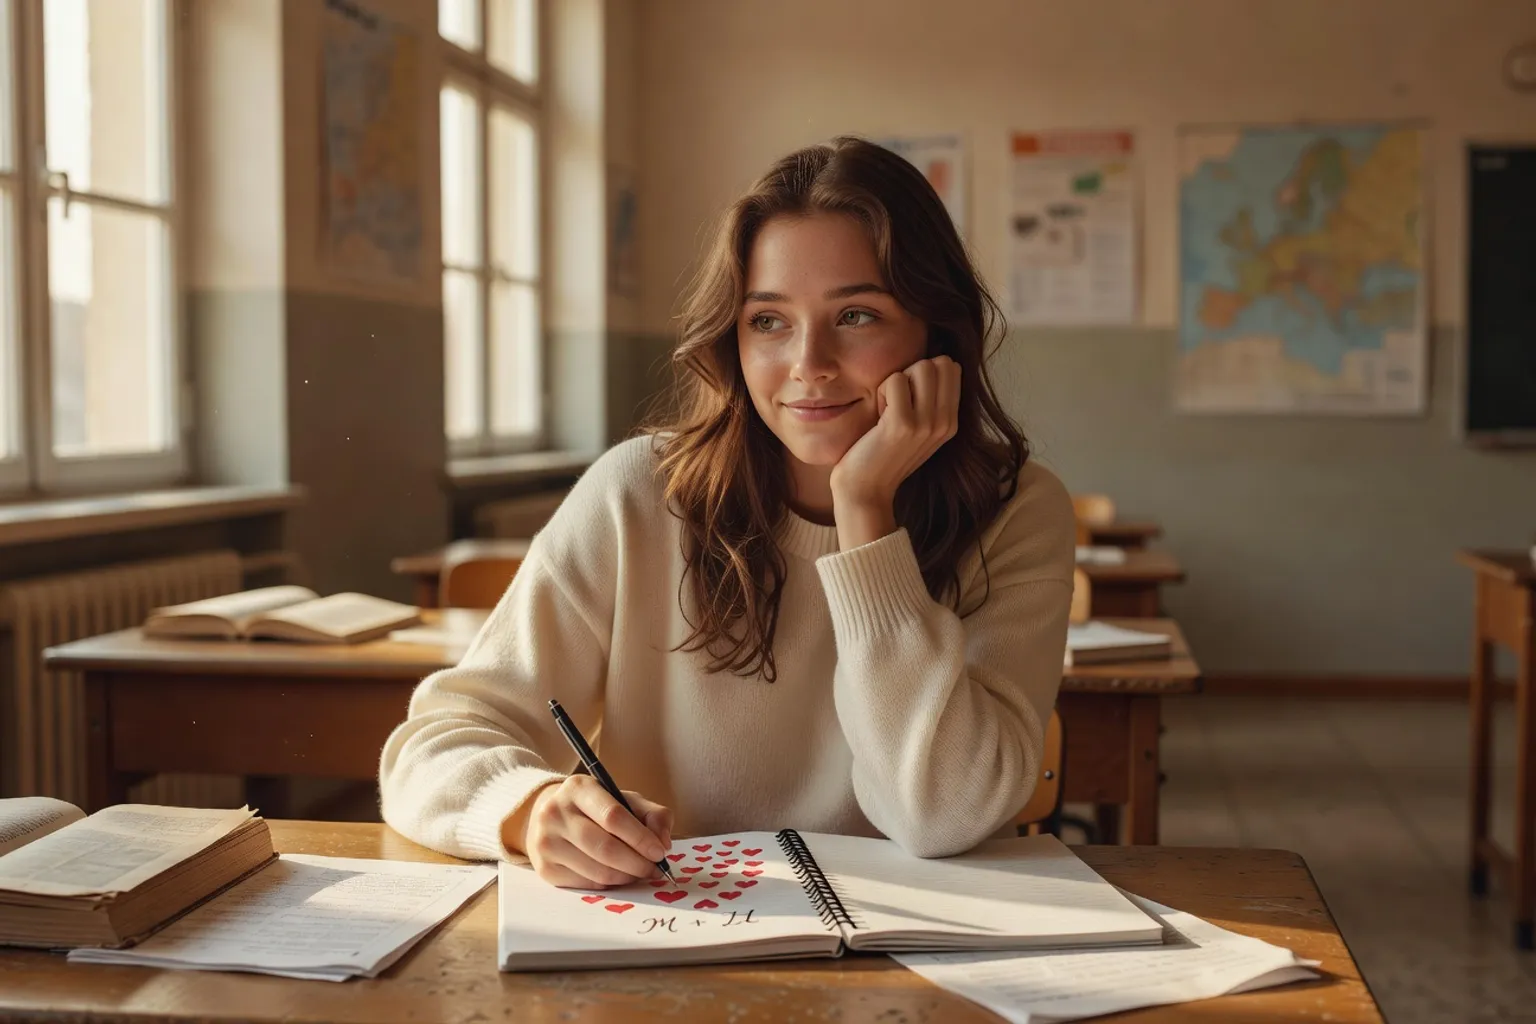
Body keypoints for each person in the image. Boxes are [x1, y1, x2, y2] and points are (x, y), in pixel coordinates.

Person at [380, 137, 1075, 888]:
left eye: (857, 315)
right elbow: (433, 745)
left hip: (921, 962)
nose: (809, 362)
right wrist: (528, 807)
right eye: (769, 321)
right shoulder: (640, 492)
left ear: (935, 335)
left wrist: (865, 511)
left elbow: (941, 814)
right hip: (676, 941)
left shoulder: (1019, 512)